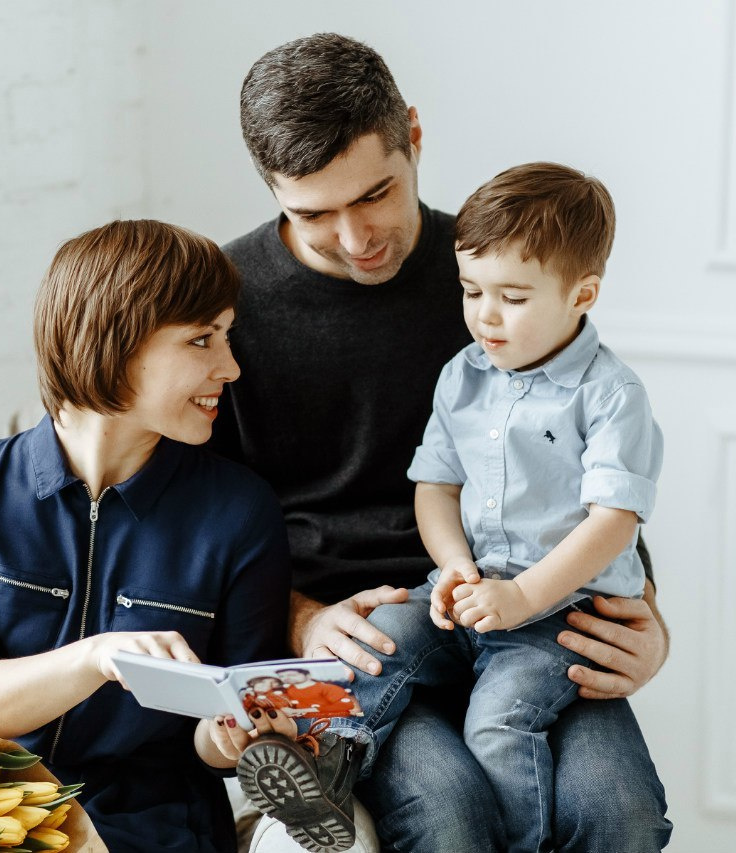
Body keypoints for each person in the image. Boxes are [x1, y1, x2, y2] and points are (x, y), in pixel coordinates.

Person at [213, 33, 673, 852]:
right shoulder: (224, 309)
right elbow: (196, 527)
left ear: (414, 137)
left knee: (619, 810)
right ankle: (320, 752)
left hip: (538, 612)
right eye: (313, 213)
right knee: (453, 813)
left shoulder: (499, 273)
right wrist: (298, 617)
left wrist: (651, 622)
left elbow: (593, 458)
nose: (356, 238)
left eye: (376, 194)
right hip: (375, 638)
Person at [0, 220, 298, 853]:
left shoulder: (239, 512)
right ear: (115, 344)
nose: (230, 367)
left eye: (227, 337)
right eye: (201, 340)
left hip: (156, 824)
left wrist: (230, 737)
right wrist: (98, 658)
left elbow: (214, 730)